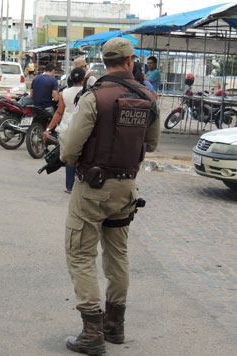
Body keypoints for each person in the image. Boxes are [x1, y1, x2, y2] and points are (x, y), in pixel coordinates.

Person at [60, 37, 160, 355]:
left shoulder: (95, 97)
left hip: (93, 189)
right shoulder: (149, 96)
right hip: (127, 188)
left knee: (80, 254)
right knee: (117, 255)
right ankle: (115, 327)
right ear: (131, 61)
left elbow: (70, 149)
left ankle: (92, 333)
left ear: (105, 62)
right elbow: (153, 144)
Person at [43, 67, 86, 193]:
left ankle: (69, 186)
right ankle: (80, 182)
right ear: (84, 79)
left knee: (70, 157)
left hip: (67, 129)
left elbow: (59, 112)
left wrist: (48, 129)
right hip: (82, 129)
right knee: (82, 157)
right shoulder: (88, 93)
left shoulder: (64, 93)